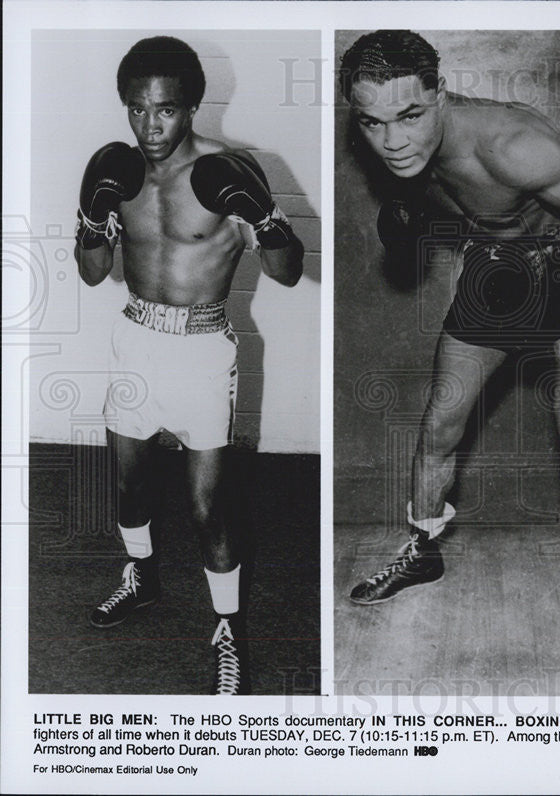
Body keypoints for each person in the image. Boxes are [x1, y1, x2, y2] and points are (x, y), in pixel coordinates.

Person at [340, 30, 560, 696]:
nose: (392, 139)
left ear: (440, 94)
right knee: (438, 431)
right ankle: (422, 550)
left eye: (409, 116)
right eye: (372, 122)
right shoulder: (405, 150)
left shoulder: (513, 144)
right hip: (492, 277)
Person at [75, 36, 304, 695]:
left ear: (194, 106)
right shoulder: (113, 168)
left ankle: (226, 628)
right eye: (138, 110)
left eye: (166, 111)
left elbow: (287, 275)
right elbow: (93, 275)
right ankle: (140, 578)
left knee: (209, 508)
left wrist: (266, 219)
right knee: (130, 488)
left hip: (203, 350)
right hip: (135, 342)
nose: (151, 126)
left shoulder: (232, 170)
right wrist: (95, 220)